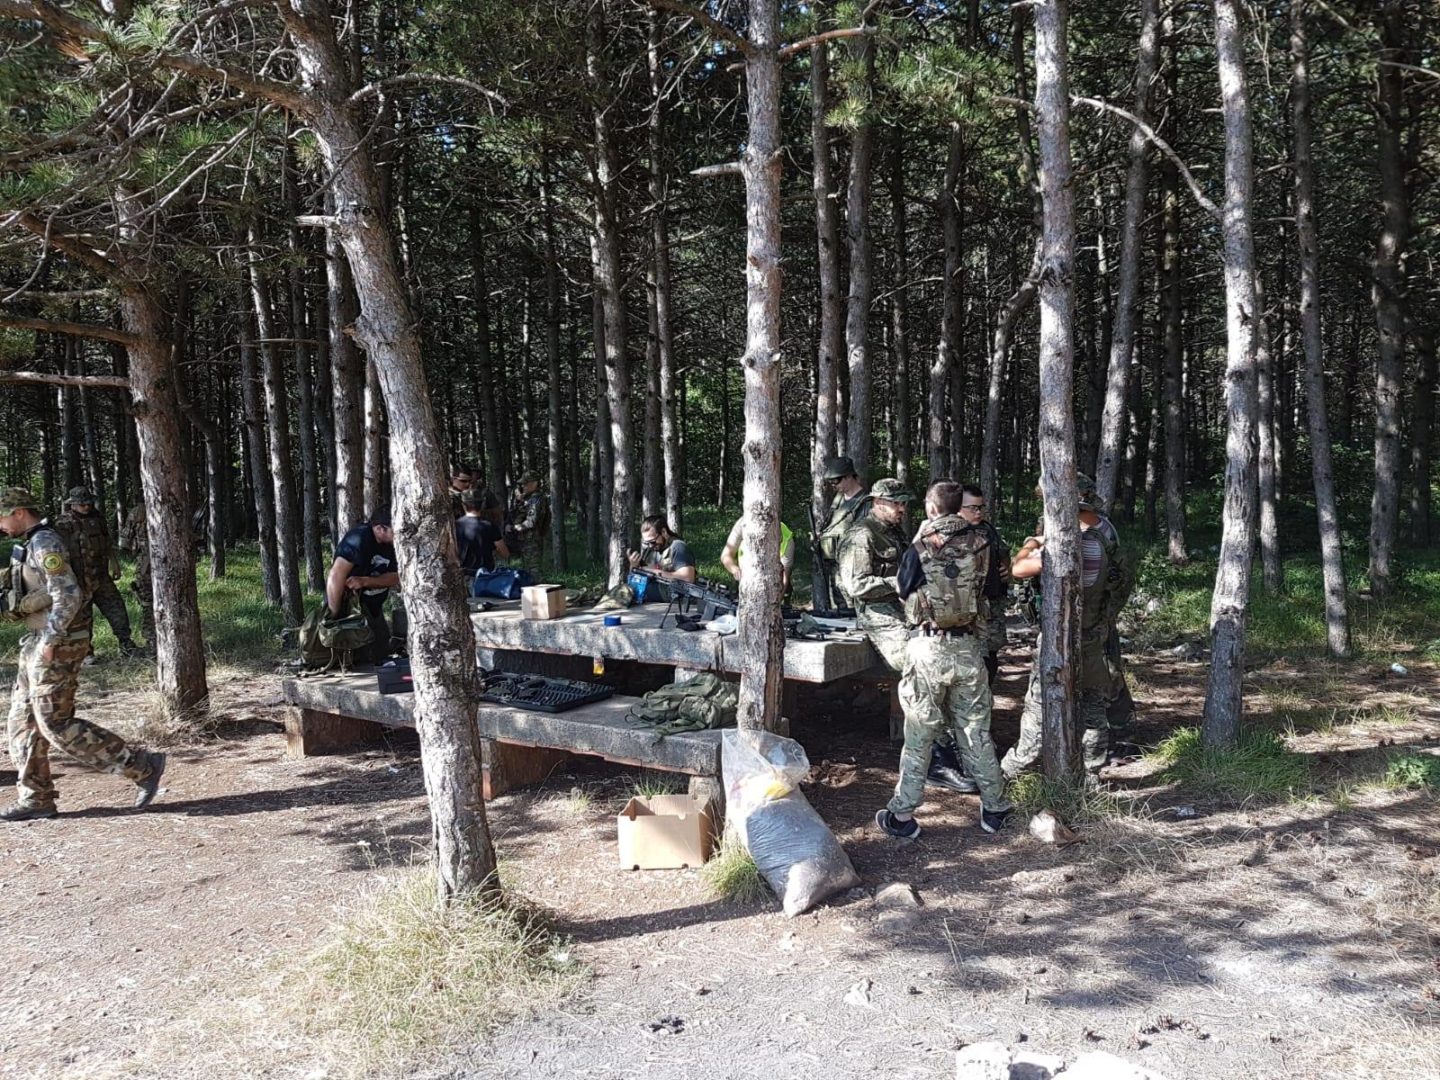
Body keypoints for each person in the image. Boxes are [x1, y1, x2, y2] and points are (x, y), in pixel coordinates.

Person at [0, 487, 165, 821]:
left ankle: (141, 766)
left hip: (59, 642)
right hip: (38, 639)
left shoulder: (46, 543)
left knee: (54, 723)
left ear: (19, 512)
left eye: (1, 517)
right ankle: (36, 798)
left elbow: (69, 594)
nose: (0, 525)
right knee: (22, 721)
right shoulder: (32, 542)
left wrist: (51, 640)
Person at [875, 480, 1012, 841]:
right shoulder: (983, 543)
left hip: (928, 648)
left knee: (919, 734)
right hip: (968, 648)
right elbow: (995, 590)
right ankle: (996, 807)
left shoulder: (920, 545)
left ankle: (903, 814)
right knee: (975, 731)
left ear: (933, 508)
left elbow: (903, 588)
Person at [1000, 474, 1130, 778]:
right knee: (1093, 708)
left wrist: (1033, 542)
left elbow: (1019, 568)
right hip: (1096, 633)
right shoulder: (1105, 530)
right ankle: (1091, 775)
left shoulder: (1070, 541)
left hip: (1062, 637)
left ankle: (1010, 772)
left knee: (1039, 708)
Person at [59, 486, 141, 658]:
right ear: (72, 504)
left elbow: (107, 542)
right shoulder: (63, 524)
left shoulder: (97, 519)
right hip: (79, 578)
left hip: (101, 576)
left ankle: (126, 644)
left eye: (88, 503)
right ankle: (86, 652)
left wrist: (114, 563)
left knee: (116, 609)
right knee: (83, 617)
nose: (86, 507)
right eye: (82, 504)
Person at [327, 508, 399, 666]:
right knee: (357, 655)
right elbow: (336, 575)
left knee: (382, 651)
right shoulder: (358, 539)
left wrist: (365, 581)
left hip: (374, 606)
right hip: (351, 608)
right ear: (380, 528)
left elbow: (397, 577)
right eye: (396, 529)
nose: (400, 534)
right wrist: (333, 613)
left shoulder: (396, 545)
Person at [957, 483, 1011, 686]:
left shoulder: (988, 530)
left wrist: (1006, 570)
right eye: (972, 508)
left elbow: (1004, 555)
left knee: (990, 655)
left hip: (991, 605)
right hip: (964, 608)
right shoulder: (950, 534)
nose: (978, 512)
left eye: (981, 507)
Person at [815, 456, 871, 608]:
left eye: (837, 481)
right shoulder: (838, 500)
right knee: (840, 606)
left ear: (848, 477)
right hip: (834, 564)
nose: (834, 485)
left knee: (853, 607)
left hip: (853, 565)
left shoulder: (865, 502)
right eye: (831, 482)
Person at [721, 515, 795, 595]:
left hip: (772, 576)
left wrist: (777, 599)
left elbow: (784, 578)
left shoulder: (786, 540)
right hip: (745, 572)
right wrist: (734, 569)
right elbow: (726, 555)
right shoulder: (743, 524)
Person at [118, 502, 155, 650]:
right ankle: (151, 638)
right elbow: (125, 542)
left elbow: (124, 543)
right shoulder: (139, 512)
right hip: (148, 565)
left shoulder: (138, 511)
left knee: (148, 602)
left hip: (147, 564)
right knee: (147, 602)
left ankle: (152, 639)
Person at [627, 515, 698, 584]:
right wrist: (634, 567)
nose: (650, 546)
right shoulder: (650, 551)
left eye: (653, 542)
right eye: (646, 543)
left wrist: (654, 572)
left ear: (664, 532)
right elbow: (636, 580)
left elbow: (688, 578)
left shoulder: (678, 547)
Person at [456, 490, 510, 576]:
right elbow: (505, 553)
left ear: (463, 505)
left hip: (463, 573)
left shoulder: (456, 526)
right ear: (482, 505)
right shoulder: (491, 526)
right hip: (486, 575)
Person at [507, 473, 550, 567]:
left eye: (525, 483)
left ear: (534, 483)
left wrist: (517, 527)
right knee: (527, 567)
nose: (523, 486)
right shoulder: (529, 498)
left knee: (533, 568)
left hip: (533, 539)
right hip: (527, 539)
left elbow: (531, 521)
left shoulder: (536, 499)